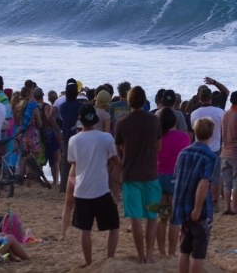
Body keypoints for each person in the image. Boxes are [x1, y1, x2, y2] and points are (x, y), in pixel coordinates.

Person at [115, 86, 163, 264]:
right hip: (150, 172)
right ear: (144, 101)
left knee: (135, 216)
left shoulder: (122, 122)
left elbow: (118, 149)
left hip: (129, 173)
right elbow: (158, 147)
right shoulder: (154, 121)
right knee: (152, 216)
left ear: (129, 101)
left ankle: (141, 256)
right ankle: (150, 254)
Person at [68, 105, 120, 266]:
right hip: (100, 189)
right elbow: (116, 161)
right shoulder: (105, 138)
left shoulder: (74, 140)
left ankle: (88, 262)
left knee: (85, 229)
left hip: (81, 189)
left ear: (80, 119)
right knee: (114, 225)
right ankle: (109, 259)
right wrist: (107, 161)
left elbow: (73, 161)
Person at [171, 117, 219, 273]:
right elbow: (204, 183)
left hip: (181, 205)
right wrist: (197, 209)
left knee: (184, 249)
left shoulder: (183, 152)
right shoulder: (210, 156)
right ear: (211, 133)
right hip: (199, 208)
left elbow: (177, 178)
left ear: (195, 132)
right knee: (199, 253)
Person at [156, 107, 191, 256]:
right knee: (175, 219)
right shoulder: (182, 137)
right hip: (175, 178)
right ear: (174, 121)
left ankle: (162, 252)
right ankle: (171, 252)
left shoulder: (155, 137)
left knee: (162, 217)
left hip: (158, 177)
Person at [190, 88, 225, 211]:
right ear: (211, 98)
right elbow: (223, 129)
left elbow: (192, 131)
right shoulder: (219, 112)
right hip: (215, 147)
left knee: (200, 176)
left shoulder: (194, 113)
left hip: (199, 147)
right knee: (215, 177)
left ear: (199, 98)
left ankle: (200, 199)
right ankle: (214, 202)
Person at [220, 91, 237, 216]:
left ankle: (227, 207)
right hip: (235, 151)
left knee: (226, 182)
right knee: (236, 182)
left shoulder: (225, 115)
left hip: (224, 151)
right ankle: (235, 208)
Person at [15, 86, 43, 187]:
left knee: (23, 159)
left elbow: (17, 122)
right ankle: (28, 183)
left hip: (22, 134)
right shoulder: (34, 106)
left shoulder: (19, 106)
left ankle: (20, 182)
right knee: (31, 159)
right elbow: (39, 123)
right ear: (30, 95)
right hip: (32, 135)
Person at [58, 79, 82, 193]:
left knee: (65, 163)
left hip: (66, 135)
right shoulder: (79, 106)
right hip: (77, 137)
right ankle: (76, 186)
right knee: (77, 163)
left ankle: (63, 187)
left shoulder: (62, 106)